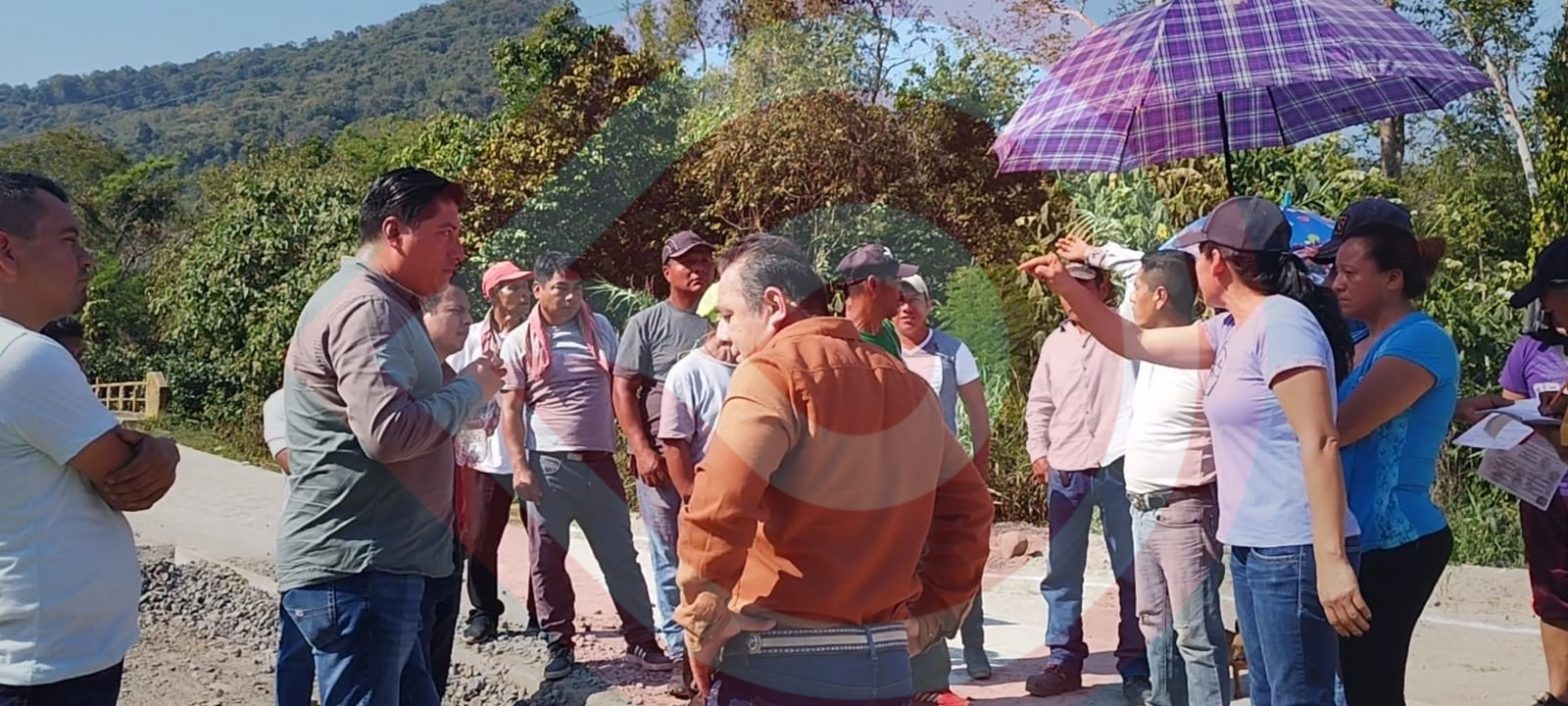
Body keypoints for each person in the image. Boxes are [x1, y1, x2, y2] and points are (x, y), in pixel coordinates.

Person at [1022, 196, 1369, 706]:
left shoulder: (1282, 324)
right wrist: (1064, 283)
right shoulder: (1227, 330)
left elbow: (1319, 439)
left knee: (1297, 696)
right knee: (1270, 693)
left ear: (1217, 261)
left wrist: (1332, 560)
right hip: (1253, 541)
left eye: (1198, 254)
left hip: (1292, 545)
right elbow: (1136, 341)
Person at [675, 233, 993, 705]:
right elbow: (971, 508)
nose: (724, 334)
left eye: (728, 315)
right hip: (885, 665)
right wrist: (931, 618)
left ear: (774, 305)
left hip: (778, 662)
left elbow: (718, 505)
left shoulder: (770, 375)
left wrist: (704, 623)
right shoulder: (908, 386)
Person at [279, 167, 501, 706]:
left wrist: (462, 400)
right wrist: (470, 390)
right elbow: (389, 434)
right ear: (395, 231)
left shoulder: (387, 303)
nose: (459, 251)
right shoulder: (369, 307)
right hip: (362, 570)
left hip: (380, 568)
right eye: (445, 234)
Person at [0, 172, 180, 706]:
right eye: (69, 240)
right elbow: (129, 481)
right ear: (6, 251)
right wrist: (164, 449)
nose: (87, 260)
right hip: (43, 664)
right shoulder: (26, 358)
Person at [1057, 233, 1230, 706]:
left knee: (1195, 634)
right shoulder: (1146, 345)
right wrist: (1093, 256)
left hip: (1185, 510)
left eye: (1137, 290)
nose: (1130, 295)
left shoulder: (1205, 349)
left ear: (1160, 296)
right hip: (1142, 509)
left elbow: (1150, 269)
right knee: (1155, 625)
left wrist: (1093, 258)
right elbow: (1147, 266)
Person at [1305, 199, 1458, 706]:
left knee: (1371, 686)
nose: (1336, 284)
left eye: (1350, 273)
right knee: (1352, 683)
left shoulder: (1419, 341)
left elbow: (1342, 428)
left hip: (1396, 540)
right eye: (1334, 271)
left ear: (1393, 279)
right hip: (1361, 534)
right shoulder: (1360, 338)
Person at [498, 251, 671, 682]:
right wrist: (520, 467)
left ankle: (642, 641)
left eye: (577, 288)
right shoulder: (520, 341)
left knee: (621, 557)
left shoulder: (601, 329)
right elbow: (511, 409)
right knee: (548, 560)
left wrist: (636, 443)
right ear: (538, 290)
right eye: (561, 288)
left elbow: (622, 386)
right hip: (549, 465)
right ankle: (559, 644)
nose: (571, 296)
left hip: (600, 462)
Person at [1022, 246, 1149, 702]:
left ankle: (1136, 666)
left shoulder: (1123, 327)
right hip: (1067, 470)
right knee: (1062, 570)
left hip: (1119, 466)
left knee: (1131, 571)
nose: (1069, 293)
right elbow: (1040, 404)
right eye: (1064, 285)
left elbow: (1146, 269)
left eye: (1080, 283)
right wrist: (1039, 453)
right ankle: (1063, 660)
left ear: (1101, 286)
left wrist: (1097, 252)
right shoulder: (1054, 343)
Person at [1457, 235, 1568, 706]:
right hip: (1547, 495)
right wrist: (1484, 413)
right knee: (1553, 596)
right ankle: (1560, 693)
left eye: (1551, 294)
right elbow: (1510, 404)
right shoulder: (1530, 349)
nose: (1545, 305)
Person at [612, 230, 716, 698]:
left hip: (716, 463)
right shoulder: (647, 323)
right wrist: (640, 446)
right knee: (669, 556)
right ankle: (680, 655)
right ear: (666, 272)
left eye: (704, 260)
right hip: (661, 462)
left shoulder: (724, 319)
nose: (698, 269)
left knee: (716, 556)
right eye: (687, 262)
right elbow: (623, 387)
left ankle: (717, 651)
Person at [893, 273, 994, 699]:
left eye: (914, 299)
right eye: (898, 300)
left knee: (959, 559)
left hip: (946, 480)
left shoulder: (952, 352)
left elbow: (978, 417)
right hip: (898, 486)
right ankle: (918, 665)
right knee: (909, 571)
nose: (906, 308)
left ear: (928, 305)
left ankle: (974, 647)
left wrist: (977, 478)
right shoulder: (879, 352)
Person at [449, 260, 539, 646]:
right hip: (483, 450)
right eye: (511, 287)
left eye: (524, 287)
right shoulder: (469, 337)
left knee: (542, 535)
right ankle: (484, 612)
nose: (522, 294)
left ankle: (542, 612)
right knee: (479, 535)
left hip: (532, 447)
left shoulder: (538, 335)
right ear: (493, 295)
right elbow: (451, 383)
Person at [417, 283, 475, 699]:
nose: (468, 321)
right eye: (456, 311)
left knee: (438, 645)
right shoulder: (410, 379)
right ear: (425, 315)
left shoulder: (454, 379)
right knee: (410, 650)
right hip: (413, 537)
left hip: (450, 532)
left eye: (469, 312)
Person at [263, 387, 314, 706]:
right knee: (298, 643)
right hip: (306, 539)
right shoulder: (281, 401)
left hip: (363, 540)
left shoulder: (355, 392)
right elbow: (291, 462)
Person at [837, 243, 918, 357]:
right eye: (896, 281)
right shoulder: (844, 345)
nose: (901, 293)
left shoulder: (889, 331)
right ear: (873, 284)